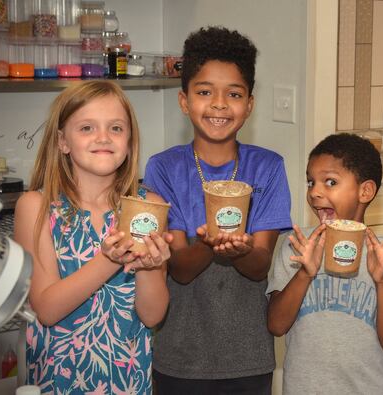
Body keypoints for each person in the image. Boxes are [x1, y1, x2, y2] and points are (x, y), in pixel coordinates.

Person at [143, 26, 292, 394]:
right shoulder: (164, 169)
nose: (220, 104)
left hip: (248, 355)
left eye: (234, 94)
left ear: (250, 104)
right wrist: (209, 243)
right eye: (205, 92)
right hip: (180, 354)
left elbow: (259, 267)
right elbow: (179, 269)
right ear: (184, 101)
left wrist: (239, 251)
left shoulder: (268, 167)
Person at [14, 80, 173, 394]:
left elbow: (153, 315)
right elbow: (46, 309)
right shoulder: (36, 208)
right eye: (87, 128)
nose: (103, 137)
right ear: (63, 142)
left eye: (116, 128)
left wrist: (151, 267)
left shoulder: (148, 207)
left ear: (129, 141)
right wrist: (108, 260)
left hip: (129, 382)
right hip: (58, 382)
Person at [267, 133, 383, 394]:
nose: (314, 192)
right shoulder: (297, 246)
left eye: (330, 182)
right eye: (311, 182)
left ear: (365, 191)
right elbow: (276, 326)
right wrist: (304, 273)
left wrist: (382, 280)